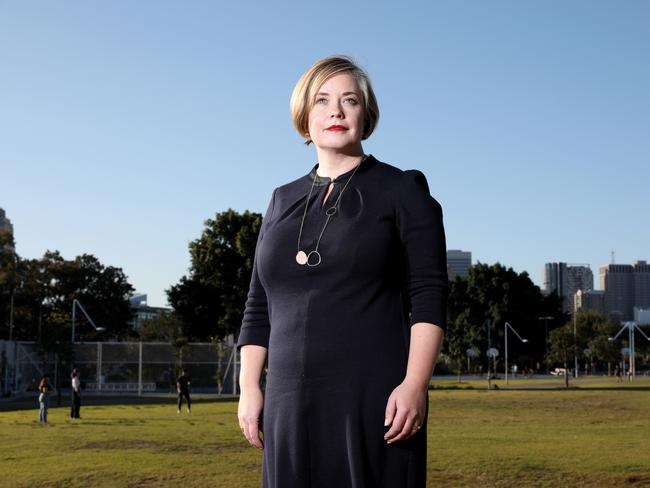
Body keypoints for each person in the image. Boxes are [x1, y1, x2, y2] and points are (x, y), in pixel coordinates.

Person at [237, 55, 448, 488]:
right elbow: (258, 305)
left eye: (349, 100)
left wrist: (415, 385)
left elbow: (429, 295)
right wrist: (249, 388)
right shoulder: (279, 200)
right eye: (322, 100)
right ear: (304, 115)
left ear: (365, 115)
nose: (335, 111)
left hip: (373, 400)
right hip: (288, 404)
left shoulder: (402, 189)